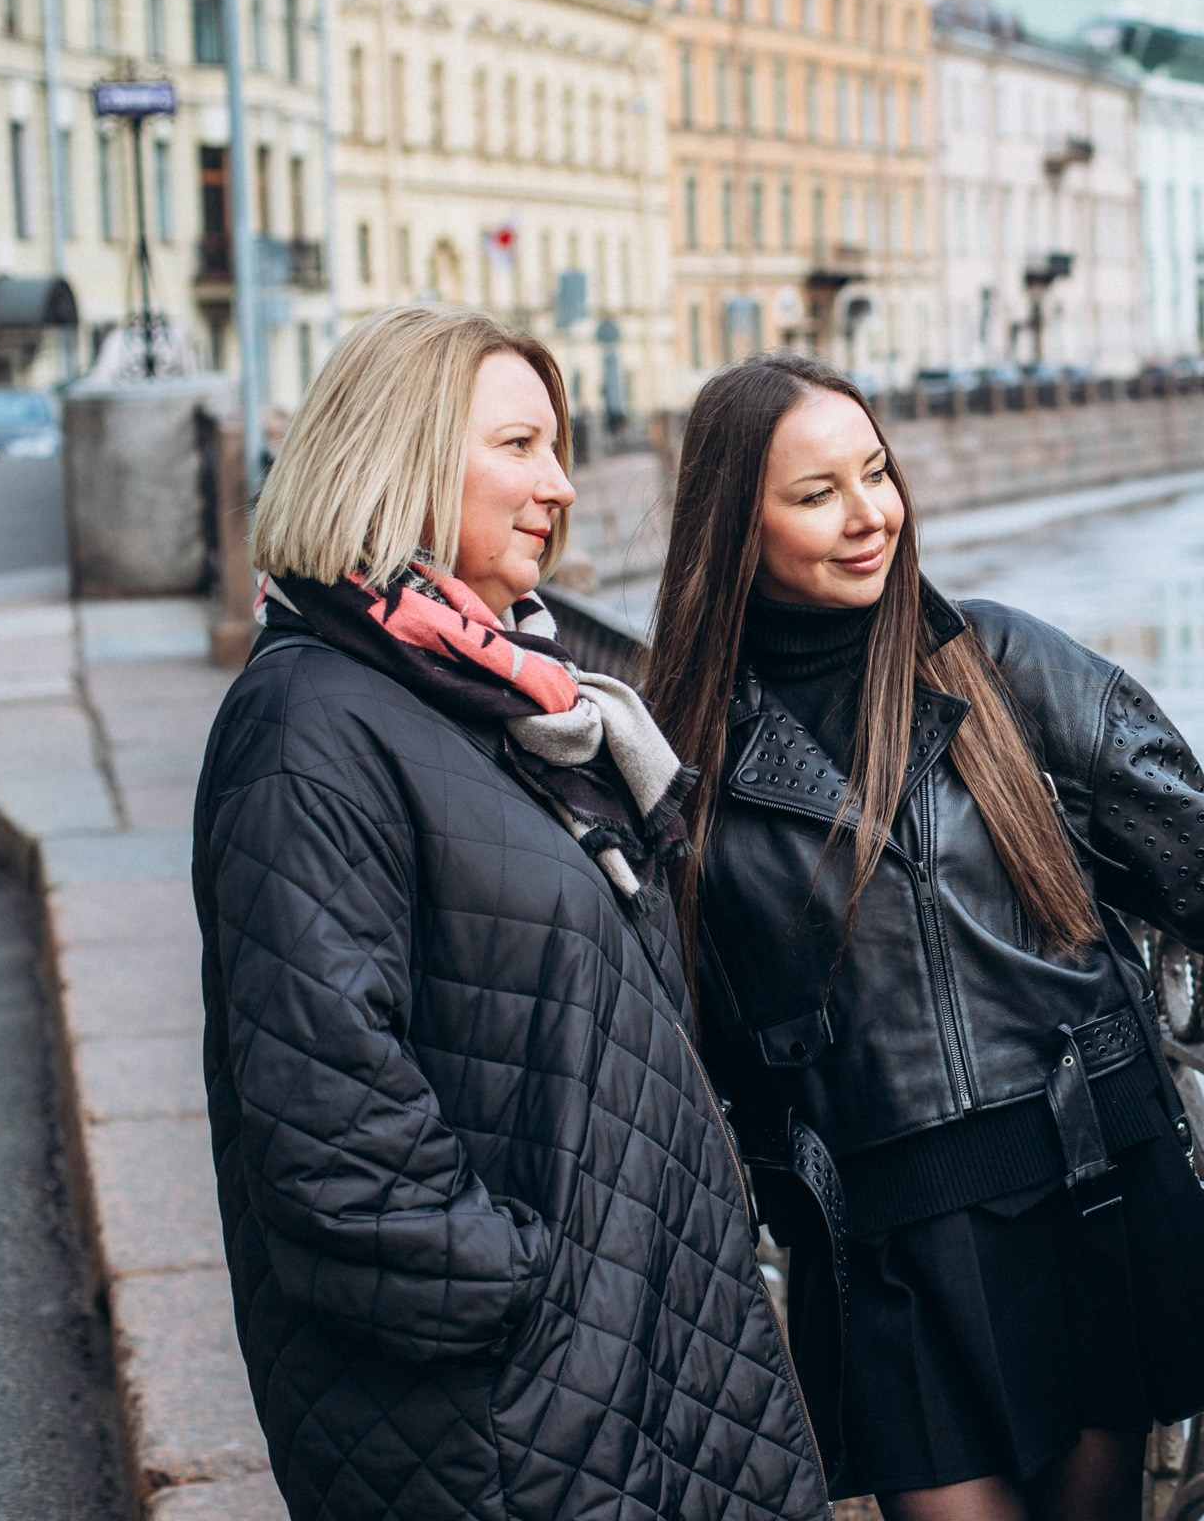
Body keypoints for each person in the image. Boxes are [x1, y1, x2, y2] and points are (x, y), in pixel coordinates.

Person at [644, 354, 1204, 1521]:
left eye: (878, 473)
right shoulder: (683, 752)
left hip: (1084, 1196)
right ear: (733, 525)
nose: (871, 517)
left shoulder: (998, 665)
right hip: (888, 1251)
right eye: (816, 494)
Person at [194, 306, 827, 1521]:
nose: (564, 486)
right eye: (521, 446)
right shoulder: (309, 721)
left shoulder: (481, 693)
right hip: (508, 1412)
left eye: (557, 447)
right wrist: (546, 1292)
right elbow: (330, 1130)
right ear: (406, 456)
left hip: (623, 1363)